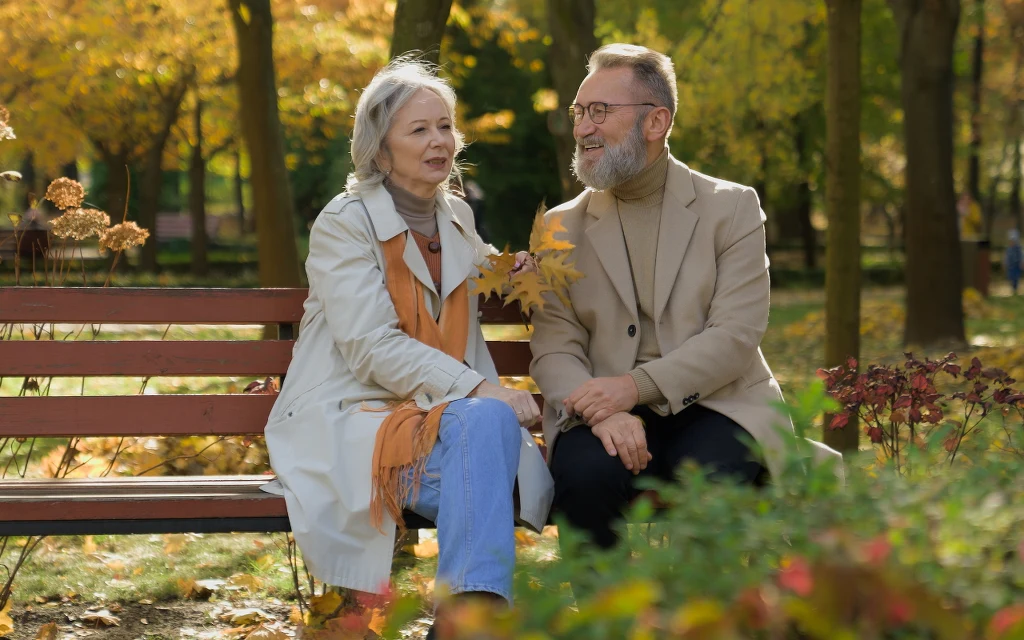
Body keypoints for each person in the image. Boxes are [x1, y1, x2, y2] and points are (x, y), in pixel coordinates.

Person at [262, 59, 551, 629]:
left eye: (445, 126)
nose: (439, 140)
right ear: (380, 150)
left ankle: (460, 620)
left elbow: (470, 275)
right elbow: (371, 346)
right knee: (486, 429)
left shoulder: (457, 216)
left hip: (440, 428)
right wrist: (481, 387)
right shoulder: (344, 223)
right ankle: (473, 621)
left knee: (486, 429)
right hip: (357, 422)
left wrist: (512, 271)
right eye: (418, 130)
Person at [529, 44, 843, 549]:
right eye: (580, 112)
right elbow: (554, 346)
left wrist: (635, 387)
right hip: (602, 413)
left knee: (720, 474)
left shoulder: (732, 208)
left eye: (600, 111)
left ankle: (707, 621)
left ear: (655, 122)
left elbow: (735, 335)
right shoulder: (560, 225)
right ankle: (604, 623)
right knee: (584, 475)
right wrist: (605, 410)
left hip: (718, 404)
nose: (583, 127)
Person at [1006, 229, 1023, 295]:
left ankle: (1015, 288)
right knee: (1011, 277)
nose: (1011, 242)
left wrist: (1022, 262)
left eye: (1013, 241)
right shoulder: (1009, 249)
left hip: (1017, 265)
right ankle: (1013, 288)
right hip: (1011, 266)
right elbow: (1007, 257)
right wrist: (1006, 263)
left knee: (1016, 277)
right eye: (1011, 241)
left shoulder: (1018, 248)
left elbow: (1021, 256)